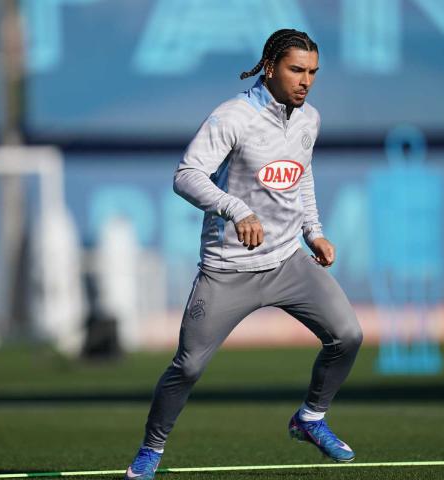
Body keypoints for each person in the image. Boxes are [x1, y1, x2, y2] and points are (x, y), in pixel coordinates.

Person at [124, 29, 363, 480]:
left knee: (347, 336)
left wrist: (313, 232)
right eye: (296, 70)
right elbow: (186, 175)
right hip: (228, 269)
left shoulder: (309, 119)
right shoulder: (233, 116)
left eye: (313, 72)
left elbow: (301, 175)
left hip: (287, 261)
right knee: (188, 367)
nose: (306, 81)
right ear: (270, 68)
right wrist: (236, 210)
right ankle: (150, 451)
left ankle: (310, 418)